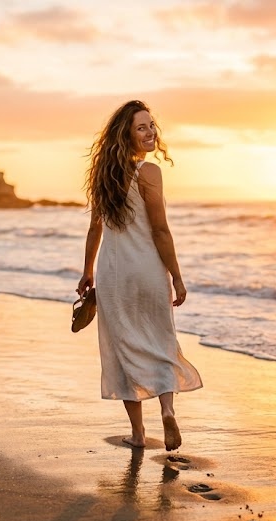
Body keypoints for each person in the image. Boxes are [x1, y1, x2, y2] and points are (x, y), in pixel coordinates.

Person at [77, 100, 203, 452]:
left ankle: (138, 432)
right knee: (160, 341)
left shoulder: (103, 175)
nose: (150, 133)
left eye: (151, 126)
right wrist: (177, 277)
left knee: (122, 350)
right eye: (141, 128)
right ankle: (166, 409)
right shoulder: (148, 173)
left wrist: (88, 272)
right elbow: (160, 230)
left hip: (113, 274)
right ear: (127, 135)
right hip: (147, 270)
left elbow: (94, 229)